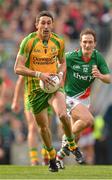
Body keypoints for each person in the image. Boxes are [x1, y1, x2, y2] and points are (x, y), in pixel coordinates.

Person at [14, 11, 81, 172]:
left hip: (54, 86)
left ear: (52, 25)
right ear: (36, 25)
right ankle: (51, 157)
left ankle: (72, 144)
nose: (45, 26)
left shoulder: (58, 41)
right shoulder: (28, 42)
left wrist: (60, 74)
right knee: (43, 128)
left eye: (48, 23)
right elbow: (17, 68)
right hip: (35, 90)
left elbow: (63, 63)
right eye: (42, 23)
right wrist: (39, 75)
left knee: (63, 115)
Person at [56, 28, 111, 168]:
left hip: (84, 100)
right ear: (80, 43)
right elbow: (59, 71)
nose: (87, 45)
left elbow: (109, 78)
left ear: (95, 44)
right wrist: (59, 88)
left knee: (77, 137)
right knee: (89, 120)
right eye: (85, 42)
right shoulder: (70, 57)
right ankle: (65, 137)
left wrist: (100, 75)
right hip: (69, 97)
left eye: (90, 42)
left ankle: (58, 158)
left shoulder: (97, 58)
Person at [11, 75, 51, 166]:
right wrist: (15, 100)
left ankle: (45, 155)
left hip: (47, 95)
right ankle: (34, 159)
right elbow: (20, 80)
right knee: (32, 127)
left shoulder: (51, 61)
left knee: (46, 127)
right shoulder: (29, 61)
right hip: (31, 96)